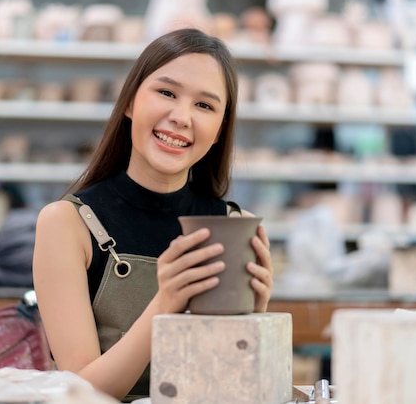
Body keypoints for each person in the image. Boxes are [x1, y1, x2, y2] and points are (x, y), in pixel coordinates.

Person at [32, 28, 273, 402]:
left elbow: (235, 388)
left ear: (219, 130)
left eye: (205, 106)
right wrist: (165, 305)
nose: (181, 117)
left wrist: (254, 324)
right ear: (129, 102)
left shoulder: (236, 227)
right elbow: (79, 394)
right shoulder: (66, 224)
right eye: (166, 93)